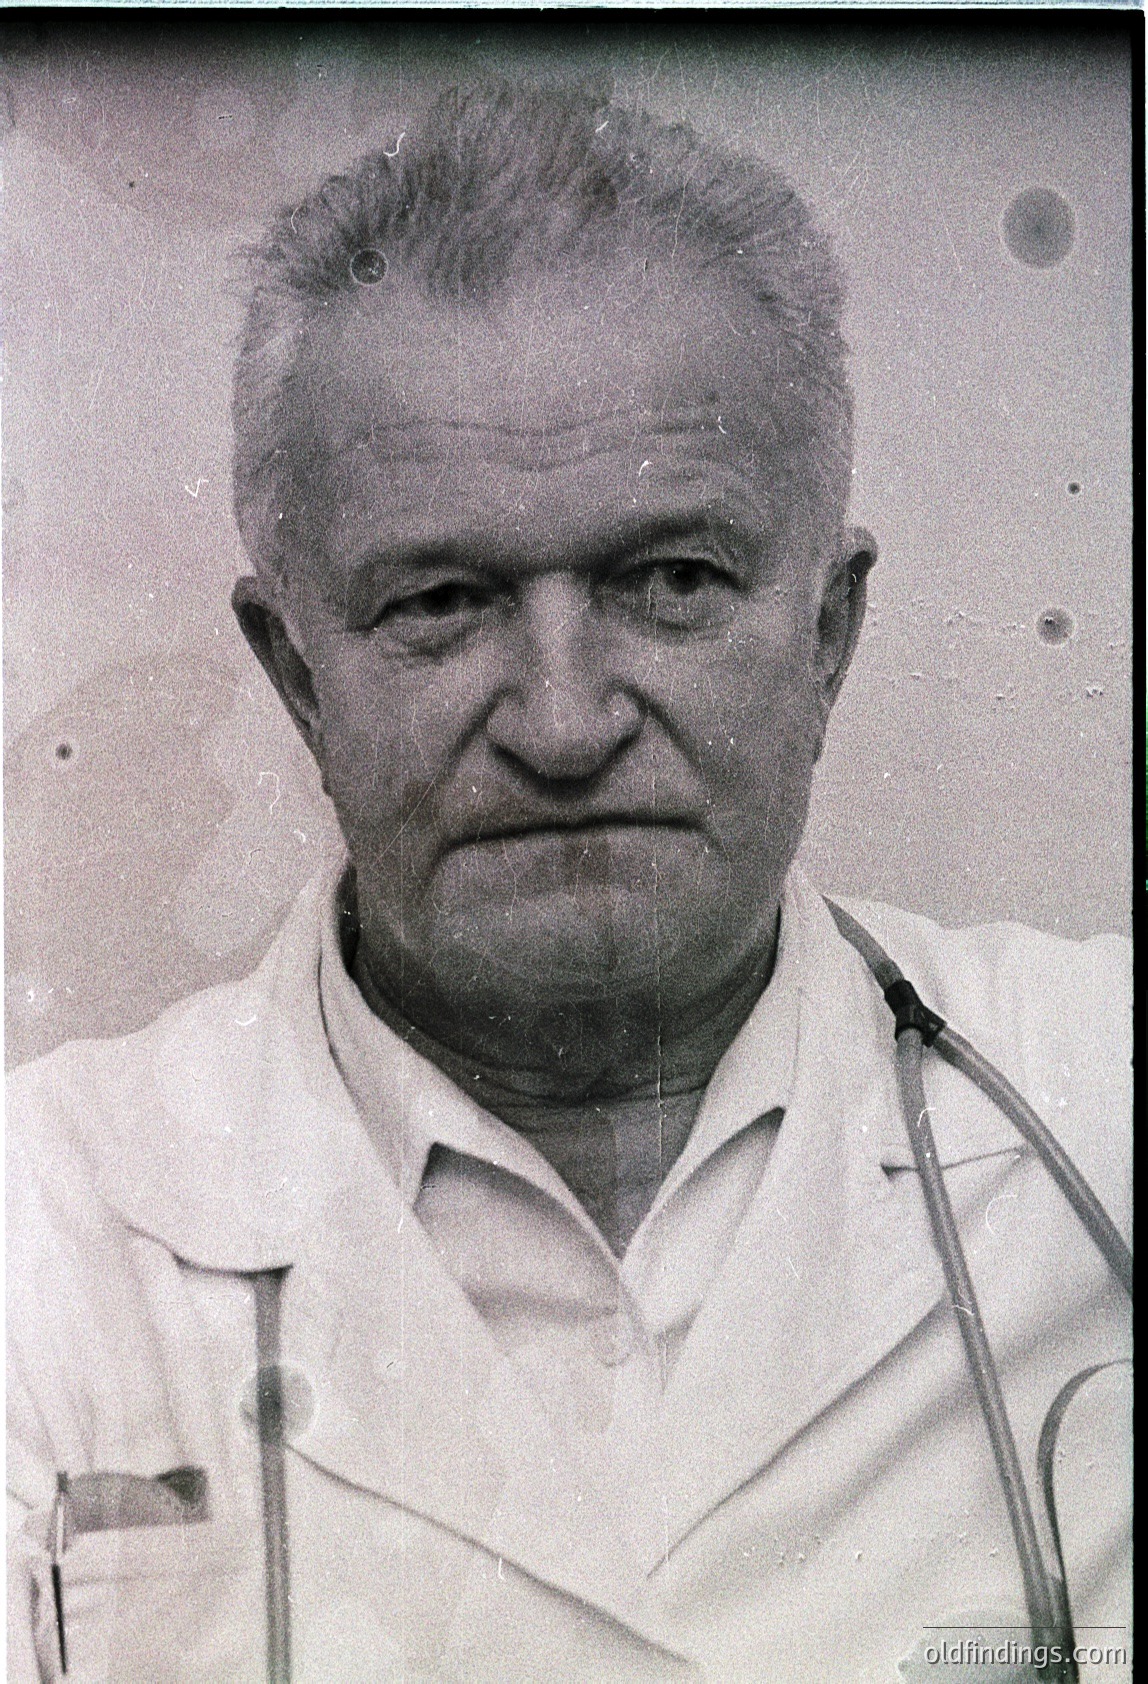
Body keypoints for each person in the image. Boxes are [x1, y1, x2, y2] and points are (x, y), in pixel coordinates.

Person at [6, 80, 1130, 1684]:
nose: (563, 719)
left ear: (826, 635)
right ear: (297, 677)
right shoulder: (41, 1234)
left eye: (672, 581)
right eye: (443, 602)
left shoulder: (1102, 1113)